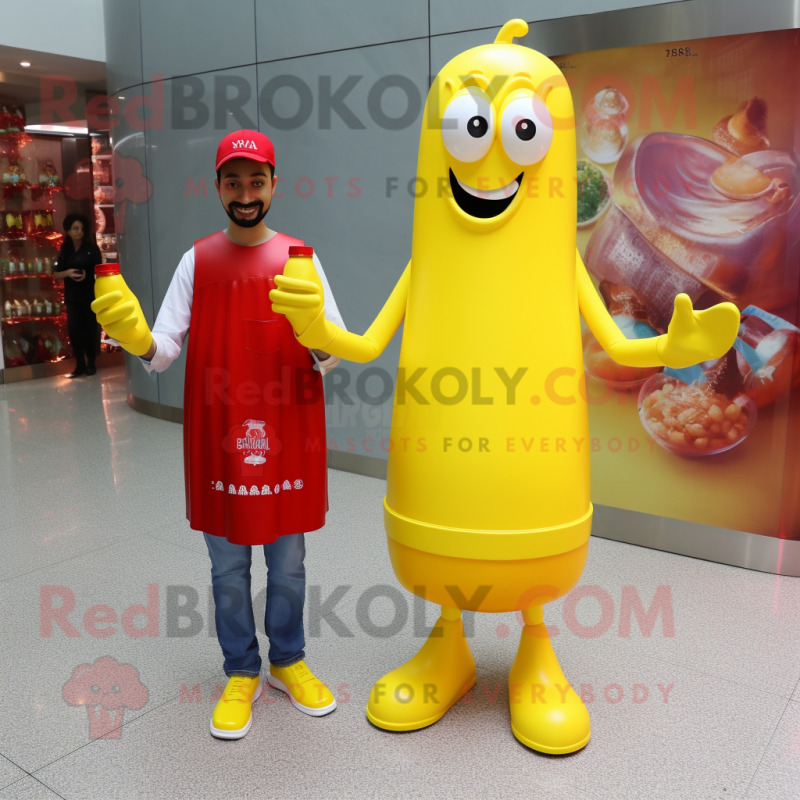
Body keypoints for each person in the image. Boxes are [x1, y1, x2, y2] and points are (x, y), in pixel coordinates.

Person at [91, 129, 345, 739]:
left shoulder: (300, 259)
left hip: (287, 432)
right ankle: (241, 669)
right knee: (227, 566)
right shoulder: (196, 260)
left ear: (274, 184)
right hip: (221, 434)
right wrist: (137, 338)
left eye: (256, 180)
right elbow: (164, 350)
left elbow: (333, 351)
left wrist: (314, 331)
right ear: (217, 188)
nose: (245, 193)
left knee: (287, 562)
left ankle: (288, 660)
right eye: (233, 181)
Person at [53, 213, 102, 377]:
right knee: (74, 331)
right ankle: (80, 365)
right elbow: (56, 274)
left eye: (81, 228)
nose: (79, 231)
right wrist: (68, 272)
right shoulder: (64, 250)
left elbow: (99, 271)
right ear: (68, 230)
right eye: (75, 228)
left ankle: (91, 363)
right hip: (72, 297)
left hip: (89, 295)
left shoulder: (91, 248)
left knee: (89, 330)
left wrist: (87, 275)